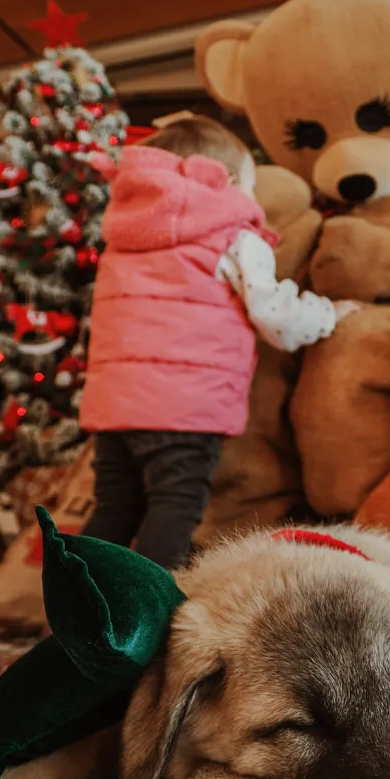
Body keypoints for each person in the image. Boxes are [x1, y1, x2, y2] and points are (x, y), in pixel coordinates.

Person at [79, 115, 344, 569]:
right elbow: (273, 313)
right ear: (231, 183)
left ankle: (74, 600)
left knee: (115, 505)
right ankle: (155, 608)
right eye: (252, 187)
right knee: (175, 504)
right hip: (183, 406)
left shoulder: (124, 236)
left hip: (115, 406)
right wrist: (327, 314)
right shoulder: (234, 237)